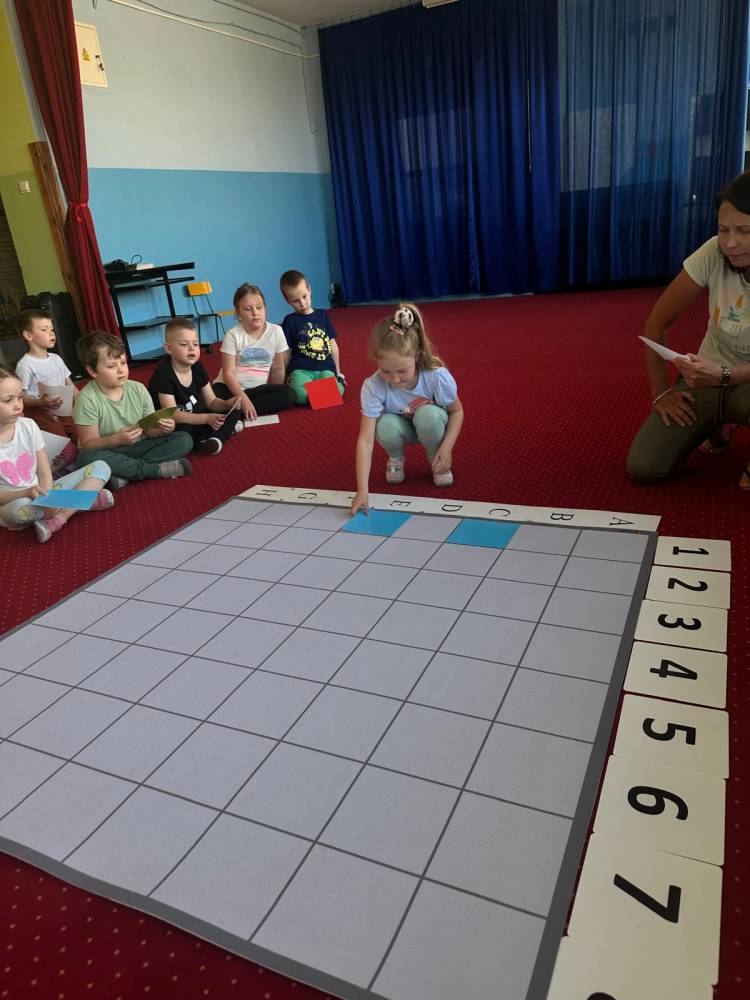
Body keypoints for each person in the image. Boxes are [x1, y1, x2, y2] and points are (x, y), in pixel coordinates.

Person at [627, 170, 750, 488]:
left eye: (745, 231)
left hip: (742, 380)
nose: (731, 242)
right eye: (723, 229)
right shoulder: (714, 252)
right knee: (645, 466)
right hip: (707, 378)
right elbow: (657, 322)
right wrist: (661, 395)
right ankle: (717, 424)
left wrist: (725, 375)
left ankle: (723, 418)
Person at [351, 303, 464, 515]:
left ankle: (436, 458)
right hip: (402, 428)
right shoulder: (373, 386)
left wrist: (447, 447)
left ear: (417, 355)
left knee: (428, 415)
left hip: (430, 424)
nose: (394, 379)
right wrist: (362, 490)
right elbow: (365, 440)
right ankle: (395, 457)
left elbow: (457, 411)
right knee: (383, 424)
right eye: (386, 371)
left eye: (402, 371)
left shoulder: (436, 376)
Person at [0, 366, 114, 543]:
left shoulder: (28, 425)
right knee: (19, 511)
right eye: (8, 400)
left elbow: (44, 472)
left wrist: (48, 500)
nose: (18, 405)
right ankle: (84, 500)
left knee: (102, 467)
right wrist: (28, 492)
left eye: (20, 397)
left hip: (43, 492)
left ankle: (59, 518)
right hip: (13, 502)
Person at [73, 331, 193, 488]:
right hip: (109, 451)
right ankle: (152, 470)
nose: (121, 370)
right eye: (111, 366)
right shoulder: (86, 399)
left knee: (184, 439)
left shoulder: (138, 389)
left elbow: (149, 431)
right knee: (86, 458)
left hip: (139, 446)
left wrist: (164, 429)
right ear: (92, 371)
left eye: (123, 362)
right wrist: (115, 440)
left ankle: (126, 474)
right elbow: (88, 444)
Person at [148, 318, 244, 456]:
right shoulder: (163, 375)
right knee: (184, 431)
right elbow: (173, 414)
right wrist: (206, 418)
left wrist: (226, 404)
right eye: (184, 344)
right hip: (178, 423)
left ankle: (215, 438)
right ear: (169, 348)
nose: (192, 348)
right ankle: (218, 434)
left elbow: (212, 402)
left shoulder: (197, 367)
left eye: (195, 344)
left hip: (198, 416)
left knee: (234, 410)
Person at [212, 283, 296, 420]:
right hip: (229, 388)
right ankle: (236, 409)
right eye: (248, 309)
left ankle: (236, 412)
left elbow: (278, 367)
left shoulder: (276, 331)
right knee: (216, 398)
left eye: (259, 307)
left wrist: (276, 390)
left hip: (256, 390)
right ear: (238, 312)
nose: (255, 312)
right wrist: (243, 399)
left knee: (289, 394)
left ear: (265, 308)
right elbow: (228, 373)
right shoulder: (232, 335)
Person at [15, 308, 79, 446]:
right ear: (28, 335)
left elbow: (70, 384)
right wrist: (40, 403)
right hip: (41, 412)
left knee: (80, 433)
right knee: (60, 443)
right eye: (44, 329)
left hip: (64, 408)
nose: (51, 333)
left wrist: (83, 402)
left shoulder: (56, 359)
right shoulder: (25, 365)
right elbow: (20, 397)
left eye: (52, 329)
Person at [279, 269, 345, 404]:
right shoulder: (290, 320)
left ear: (309, 290)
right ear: (287, 300)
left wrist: (338, 372)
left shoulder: (323, 315)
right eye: (296, 301)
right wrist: (286, 376)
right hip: (301, 370)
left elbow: (332, 345)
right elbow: (286, 353)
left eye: (304, 296)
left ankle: (316, 395)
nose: (302, 303)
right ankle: (323, 396)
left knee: (339, 389)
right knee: (299, 394)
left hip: (324, 368)